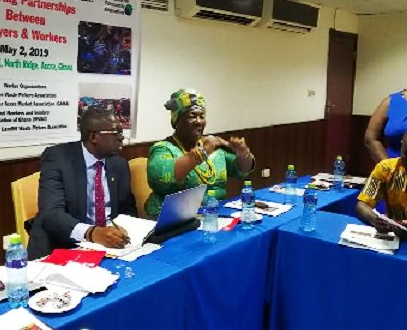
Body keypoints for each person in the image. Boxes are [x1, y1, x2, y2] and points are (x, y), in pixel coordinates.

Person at [27, 109, 137, 259]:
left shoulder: (119, 164)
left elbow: (127, 208)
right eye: (116, 132)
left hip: (112, 248)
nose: (121, 137)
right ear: (94, 137)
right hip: (67, 245)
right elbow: (51, 214)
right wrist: (92, 233)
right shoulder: (58, 158)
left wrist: (124, 230)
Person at [145, 89, 255, 217]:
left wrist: (243, 153)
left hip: (215, 216)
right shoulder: (163, 149)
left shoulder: (213, 149)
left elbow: (242, 170)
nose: (198, 121)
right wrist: (203, 151)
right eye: (192, 116)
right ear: (176, 121)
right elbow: (160, 179)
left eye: (202, 116)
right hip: (173, 220)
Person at [357, 123, 407, 239]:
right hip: (394, 239)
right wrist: (375, 220)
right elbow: (362, 204)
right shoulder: (386, 169)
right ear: (401, 147)